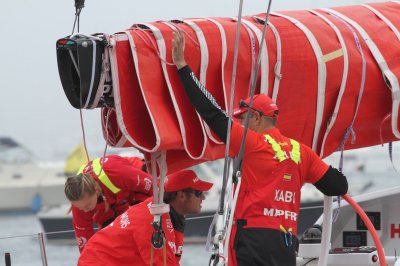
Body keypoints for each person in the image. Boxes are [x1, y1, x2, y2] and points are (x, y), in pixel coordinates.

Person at [172, 30, 348, 266]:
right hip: (285, 243)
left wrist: (182, 67)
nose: (238, 125)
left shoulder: (252, 143)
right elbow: (338, 186)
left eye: (242, 120)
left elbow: (210, 111)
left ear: (255, 118)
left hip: (252, 240)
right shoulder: (301, 151)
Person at [78, 169, 213, 266]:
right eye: (198, 193)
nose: (203, 197)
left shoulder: (165, 214)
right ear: (181, 195)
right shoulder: (154, 219)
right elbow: (162, 262)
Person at [64, 155, 153, 252]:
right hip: (113, 203)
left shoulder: (117, 173)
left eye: (87, 206)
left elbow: (155, 188)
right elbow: (84, 243)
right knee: (107, 237)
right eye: (81, 208)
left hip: (137, 183)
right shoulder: (80, 202)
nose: (85, 210)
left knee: (142, 219)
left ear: (96, 191)